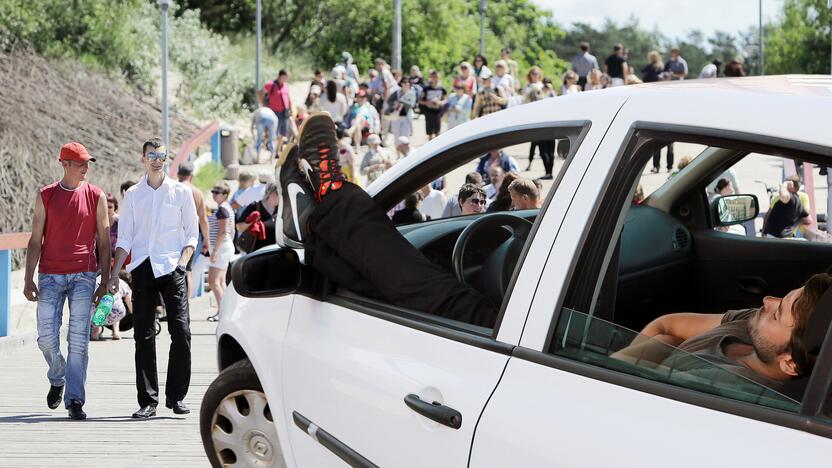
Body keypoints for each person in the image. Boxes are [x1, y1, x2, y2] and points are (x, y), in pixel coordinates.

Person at [276, 114, 496, 326]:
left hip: (503, 330)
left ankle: (328, 194)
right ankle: (309, 228)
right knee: (392, 290)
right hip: (510, 328)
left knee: (432, 291)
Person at [616, 273, 832, 390]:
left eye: (777, 314)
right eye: (782, 298)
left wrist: (664, 344)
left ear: (790, 364)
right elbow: (666, 324)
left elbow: (619, 393)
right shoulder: (751, 323)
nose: (767, 302)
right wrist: (667, 339)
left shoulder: (724, 387)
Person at [109, 138, 198, 419]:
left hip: (173, 266)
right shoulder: (133, 195)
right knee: (143, 334)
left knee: (181, 332)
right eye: (152, 155)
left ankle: (177, 397)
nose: (157, 160)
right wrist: (114, 274)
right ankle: (148, 400)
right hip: (143, 267)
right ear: (143, 159)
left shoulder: (181, 192)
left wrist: (182, 263)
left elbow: (192, 234)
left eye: (162, 155)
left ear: (166, 159)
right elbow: (124, 238)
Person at [23, 142, 110, 420]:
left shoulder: (96, 196)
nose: (86, 168)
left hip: (84, 275)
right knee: (46, 339)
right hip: (49, 275)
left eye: (87, 163)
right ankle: (57, 376)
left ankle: (75, 400)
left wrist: (105, 281)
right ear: (65, 164)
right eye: (80, 163)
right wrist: (28, 278)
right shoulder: (46, 195)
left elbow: (105, 242)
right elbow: (35, 240)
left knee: (78, 342)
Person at [200, 182, 234, 321]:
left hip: (221, 248)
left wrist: (214, 252)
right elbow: (230, 231)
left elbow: (223, 231)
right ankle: (226, 310)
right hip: (224, 247)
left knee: (214, 281)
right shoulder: (226, 208)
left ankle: (223, 312)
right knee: (220, 282)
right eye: (213, 191)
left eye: (217, 192)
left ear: (225, 195)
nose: (214, 194)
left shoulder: (222, 210)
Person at [177, 162, 211, 297]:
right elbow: (203, 219)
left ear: (178, 174)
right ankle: (186, 306)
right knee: (187, 271)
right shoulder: (197, 193)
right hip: (190, 237)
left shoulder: (173, 188)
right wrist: (207, 240)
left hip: (172, 236)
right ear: (191, 176)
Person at [236, 183, 279, 252]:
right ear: (272, 193)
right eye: (280, 194)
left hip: (274, 252)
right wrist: (251, 222)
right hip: (255, 253)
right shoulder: (255, 207)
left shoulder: (281, 209)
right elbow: (239, 227)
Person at [262, 70, 293, 155]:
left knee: (283, 133)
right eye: (285, 77)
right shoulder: (271, 85)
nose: (286, 79)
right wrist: (263, 105)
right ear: (280, 76)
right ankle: (271, 150)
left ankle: (277, 151)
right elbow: (261, 92)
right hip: (274, 112)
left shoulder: (286, 86)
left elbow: (288, 98)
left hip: (285, 112)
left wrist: (291, 109)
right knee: (274, 132)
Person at [419, 70, 448, 140]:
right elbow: (420, 100)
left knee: (437, 132)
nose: (435, 78)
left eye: (436, 77)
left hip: (437, 112)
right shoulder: (426, 89)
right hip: (428, 112)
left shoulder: (442, 89)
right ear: (430, 77)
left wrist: (440, 102)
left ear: (439, 77)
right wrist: (427, 102)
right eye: (433, 77)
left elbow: (446, 100)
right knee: (429, 133)